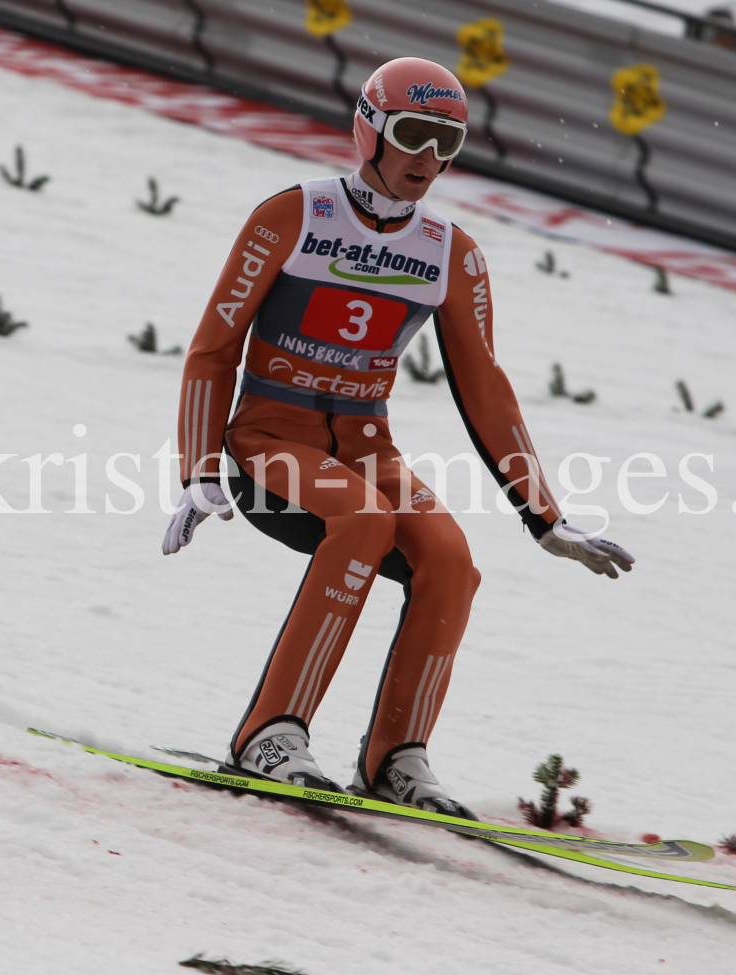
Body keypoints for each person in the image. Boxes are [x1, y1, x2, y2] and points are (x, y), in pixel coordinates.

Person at [161, 58, 634, 820]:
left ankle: (396, 756)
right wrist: (198, 467)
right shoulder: (294, 214)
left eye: (447, 142)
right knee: (364, 518)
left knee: (450, 560)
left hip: (367, 446)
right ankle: (270, 735)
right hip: (270, 440)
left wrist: (546, 516)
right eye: (412, 134)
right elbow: (214, 348)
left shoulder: (453, 252)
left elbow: (485, 386)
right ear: (369, 129)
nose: (427, 158)